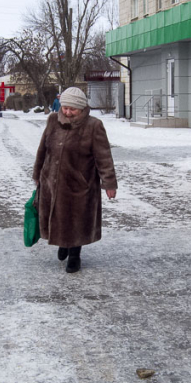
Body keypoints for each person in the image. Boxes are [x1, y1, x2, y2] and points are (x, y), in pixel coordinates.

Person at [32, 87, 117, 273]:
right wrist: (38, 174)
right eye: (65, 108)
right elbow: (42, 149)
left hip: (79, 184)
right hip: (52, 181)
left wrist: (109, 183)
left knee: (75, 220)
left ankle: (74, 255)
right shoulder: (53, 121)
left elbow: (104, 157)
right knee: (57, 216)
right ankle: (63, 243)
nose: (68, 112)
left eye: (73, 109)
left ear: (81, 108)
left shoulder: (93, 126)